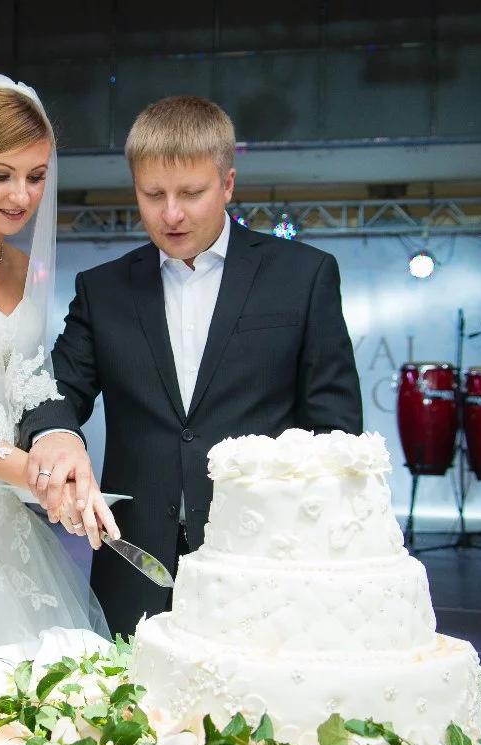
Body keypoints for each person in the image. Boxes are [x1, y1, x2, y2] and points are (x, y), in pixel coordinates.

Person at [19, 95, 364, 639]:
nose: (171, 214)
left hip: (266, 564)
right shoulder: (103, 290)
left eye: (191, 193)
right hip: (134, 567)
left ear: (227, 184)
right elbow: (53, 388)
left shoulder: (304, 276)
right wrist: (58, 434)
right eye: (153, 194)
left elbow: (336, 430)